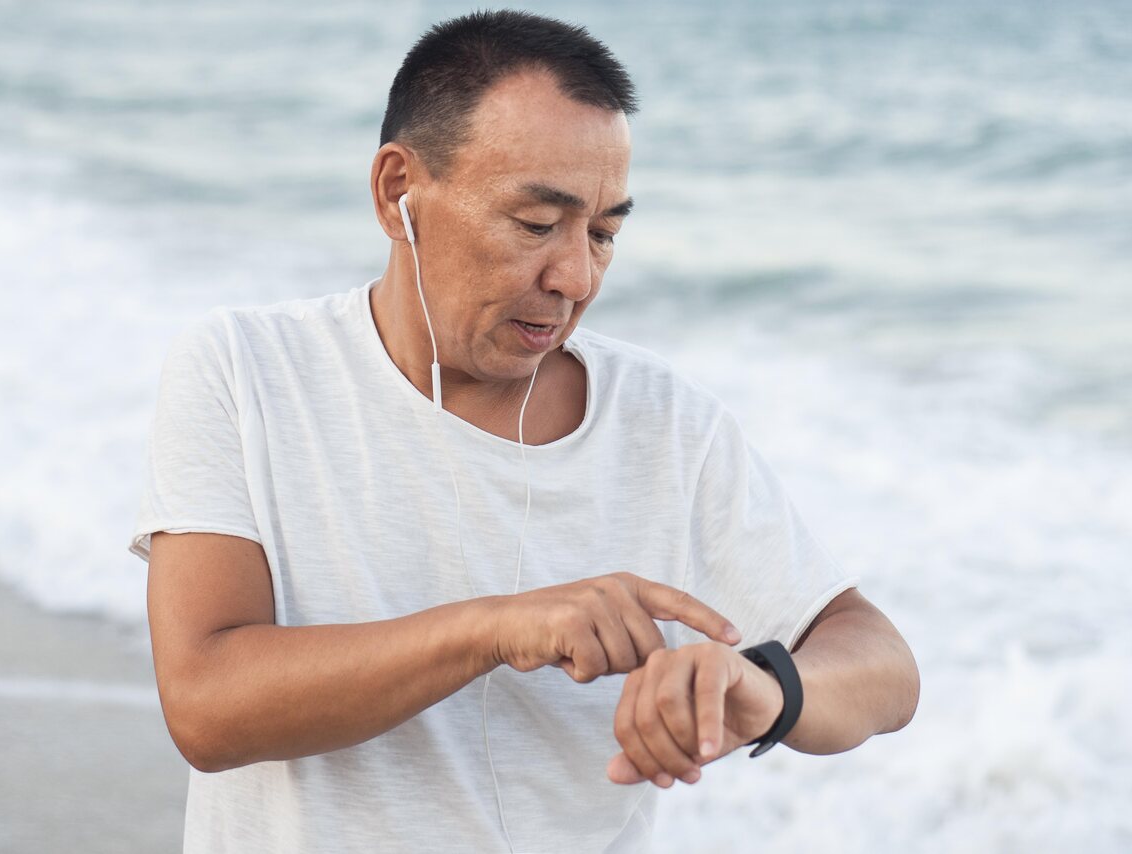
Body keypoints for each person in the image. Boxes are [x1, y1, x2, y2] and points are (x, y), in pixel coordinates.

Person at [128, 10, 919, 853]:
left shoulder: (664, 423)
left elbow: (881, 665)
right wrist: (498, 627)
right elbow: (207, 707)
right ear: (400, 192)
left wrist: (764, 685)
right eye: (537, 225)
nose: (574, 276)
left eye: (605, 232)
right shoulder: (247, 370)